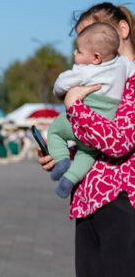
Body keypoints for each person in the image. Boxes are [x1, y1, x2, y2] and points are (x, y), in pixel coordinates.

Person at [40, 2, 135, 277]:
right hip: (88, 201)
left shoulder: (132, 79)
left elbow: (119, 140)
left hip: (123, 204)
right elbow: (92, 137)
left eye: (86, 39)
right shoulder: (101, 80)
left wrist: (75, 110)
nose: (80, 54)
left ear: (119, 29)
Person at [47, 22, 135, 197]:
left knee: (55, 131)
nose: (74, 53)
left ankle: (62, 161)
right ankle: (69, 180)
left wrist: (63, 94)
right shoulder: (124, 64)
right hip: (104, 121)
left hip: (81, 119)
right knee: (87, 154)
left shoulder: (85, 71)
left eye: (79, 50)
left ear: (96, 57)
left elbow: (60, 85)